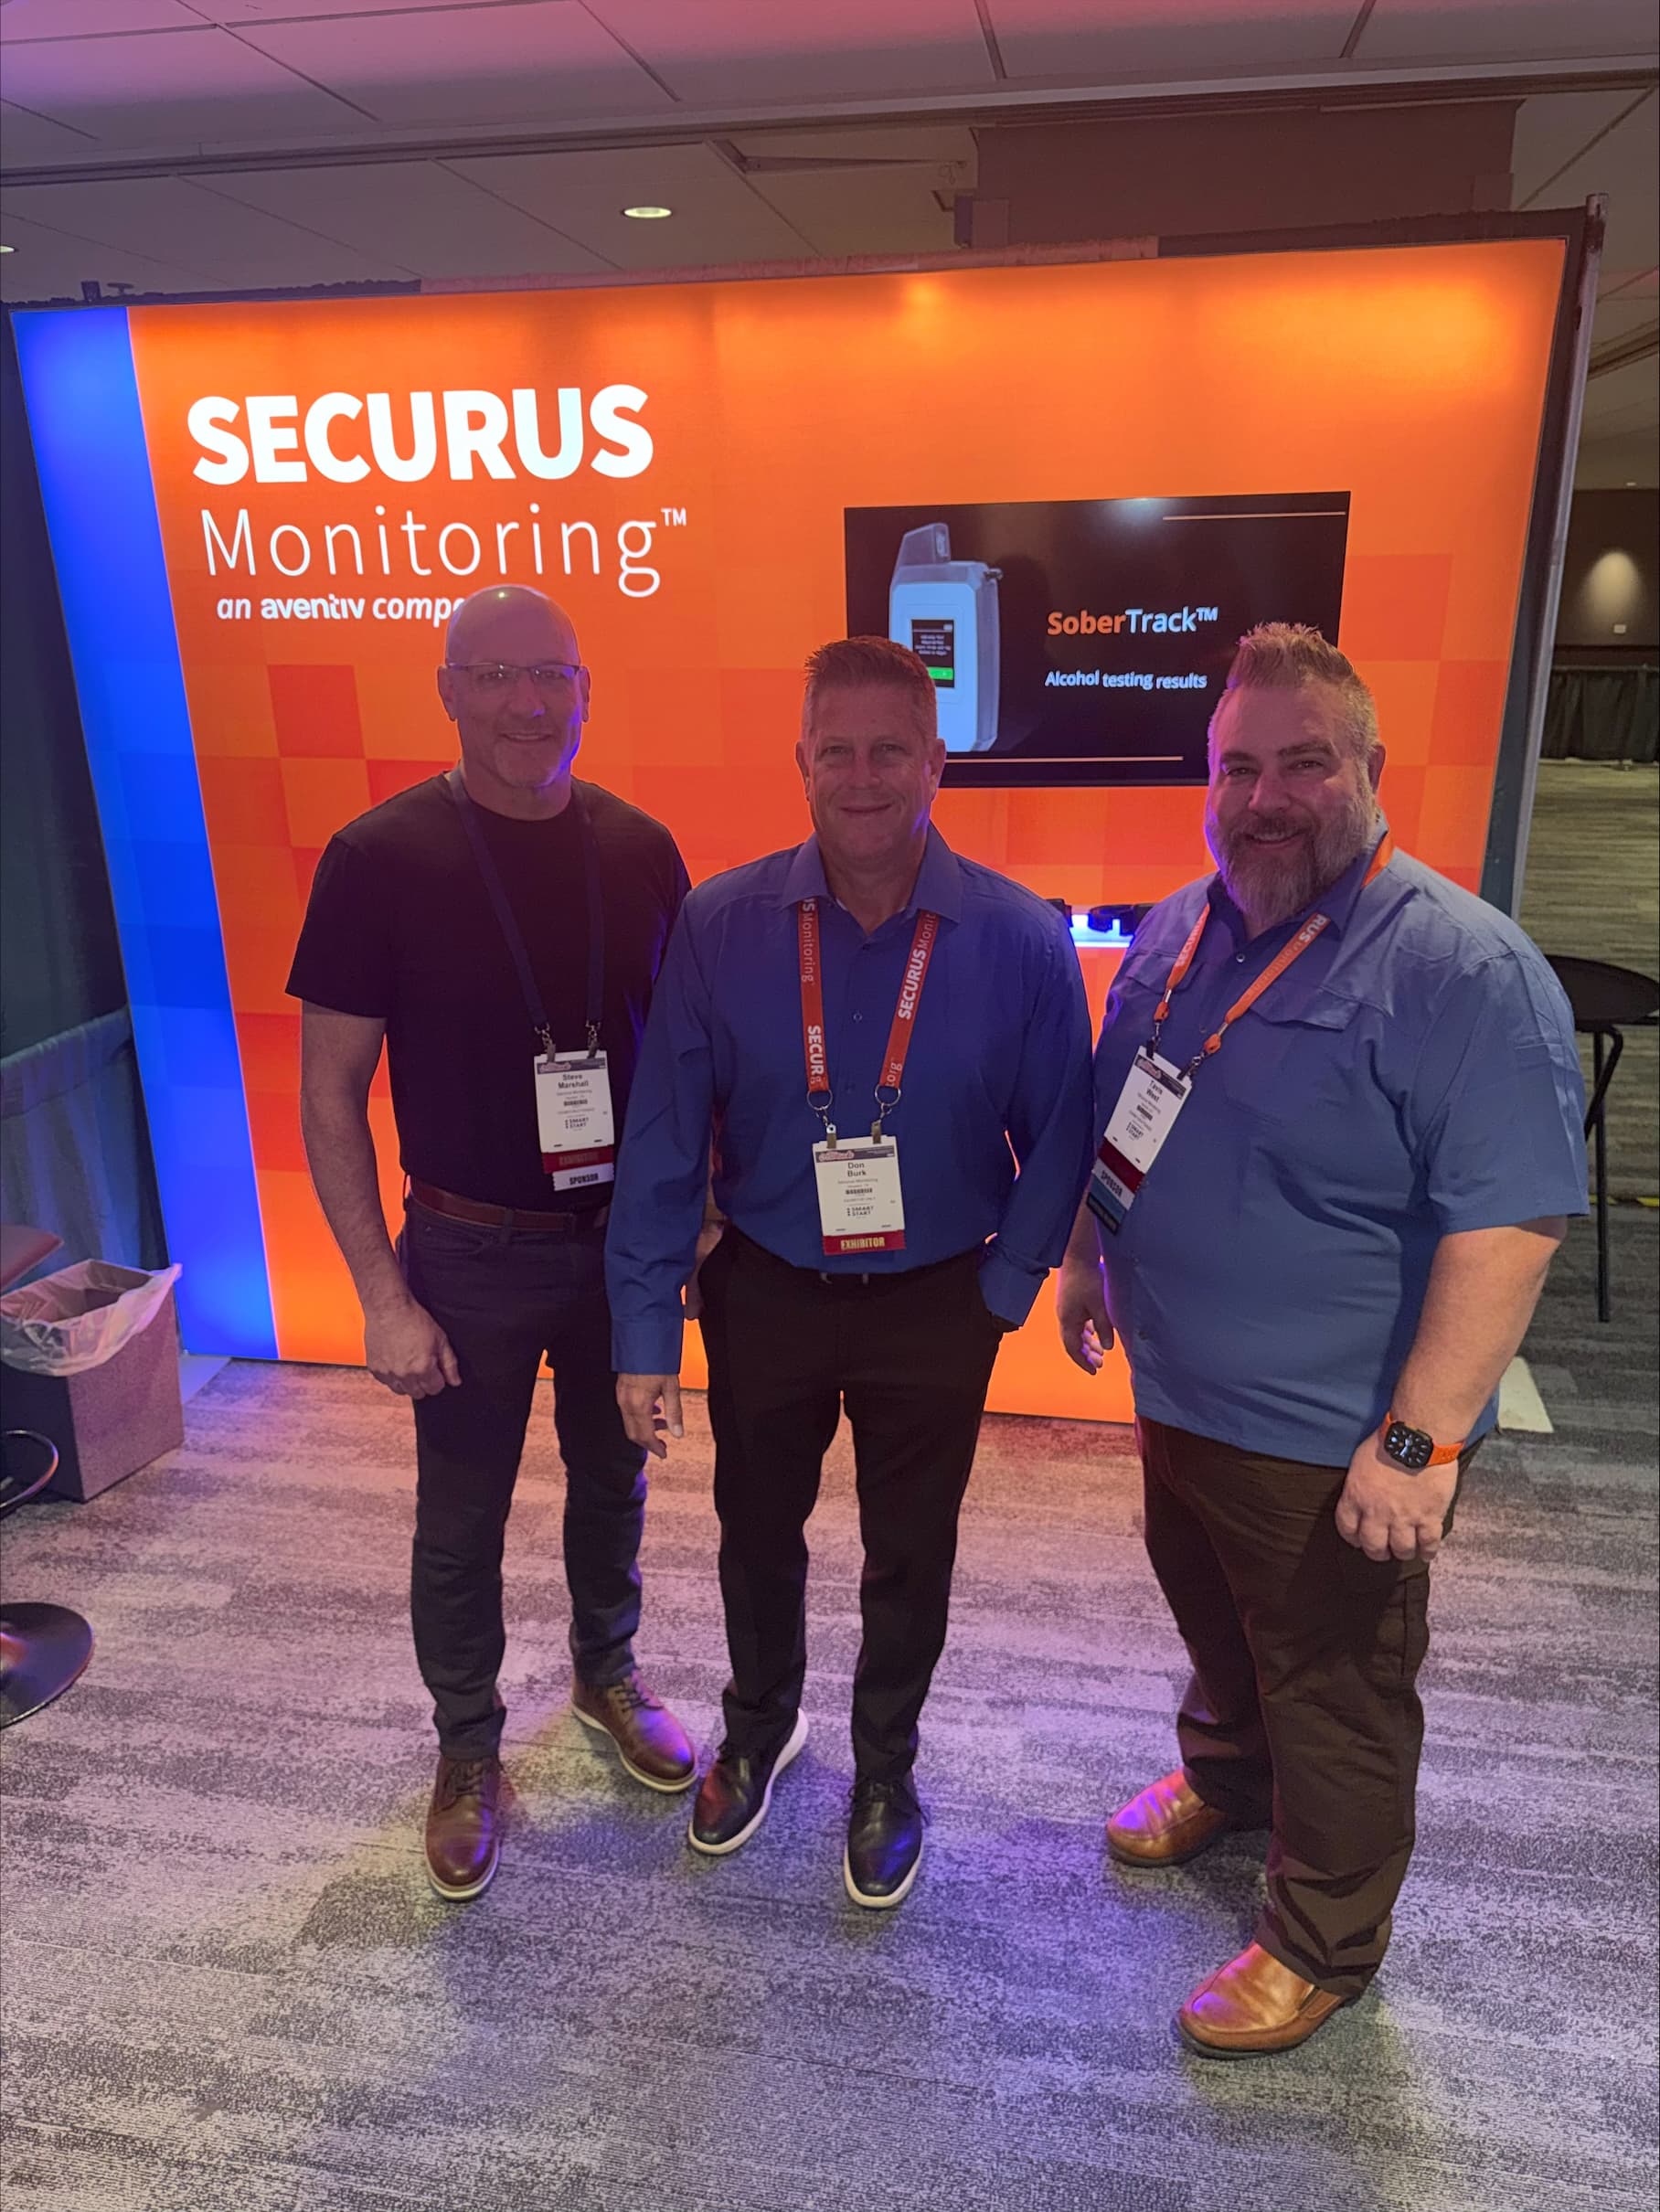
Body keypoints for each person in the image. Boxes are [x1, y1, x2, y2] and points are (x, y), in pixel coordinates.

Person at [1056, 623, 1587, 2055]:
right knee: (1218, 1622)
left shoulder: (1465, 970)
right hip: (1179, 1393)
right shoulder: (1179, 929)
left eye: (1304, 764)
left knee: (1336, 1684)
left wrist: (1419, 1444)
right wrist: (1092, 1257)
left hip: (1336, 1432)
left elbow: (1511, 1226)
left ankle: (1323, 1940)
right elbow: (1130, 1113)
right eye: (1238, 768)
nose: (1265, 798)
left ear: (1371, 769)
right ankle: (1231, 1779)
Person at [606, 636, 1093, 1909]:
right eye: (839, 752)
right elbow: (665, 1134)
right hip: (767, 1287)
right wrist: (644, 1329)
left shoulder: (1021, 937)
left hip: (938, 1302)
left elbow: (1061, 1137)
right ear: (803, 763)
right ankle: (760, 1729)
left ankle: (887, 1770)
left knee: (909, 1552)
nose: (864, 777)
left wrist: (1002, 1293)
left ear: (936, 763)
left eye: (891, 751)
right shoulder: (721, 924)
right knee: (755, 1531)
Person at [288, 583, 696, 1905]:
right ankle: (467, 1748)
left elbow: (685, 1061)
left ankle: (606, 1675)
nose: (529, 704)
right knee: (460, 1517)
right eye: (497, 675)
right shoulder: (377, 857)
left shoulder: (642, 849)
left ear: (585, 690)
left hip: (620, 1247)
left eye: (551, 676)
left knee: (614, 1479)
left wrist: (691, 1222)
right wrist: (380, 1292)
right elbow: (329, 1094)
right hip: (468, 1254)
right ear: (449, 690)